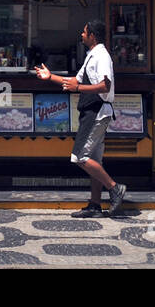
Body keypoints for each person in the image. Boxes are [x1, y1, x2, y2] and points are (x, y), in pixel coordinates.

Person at [34, 21, 128, 218]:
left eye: (84, 31)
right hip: (90, 111)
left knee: (80, 157)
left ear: (92, 35)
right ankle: (95, 204)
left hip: (96, 111)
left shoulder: (102, 56)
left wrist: (79, 89)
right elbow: (74, 82)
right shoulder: (91, 56)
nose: (81, 34)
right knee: (94, 160)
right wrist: (50, 76)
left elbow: (105, 85)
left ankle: (114, 188)